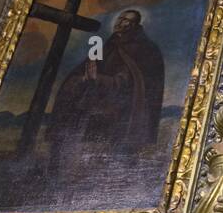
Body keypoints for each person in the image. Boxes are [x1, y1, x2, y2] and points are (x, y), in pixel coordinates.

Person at [49, 8, 166, 151]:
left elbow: (126, 83)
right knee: (72, 86)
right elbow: (91, 66)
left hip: (124, 106)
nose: (119, 22)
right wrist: (82, 78)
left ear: (134, 26)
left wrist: (98, 79)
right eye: (119, 18)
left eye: (125, 20)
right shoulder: (111, 44)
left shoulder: (142, 48)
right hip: (101, 96)